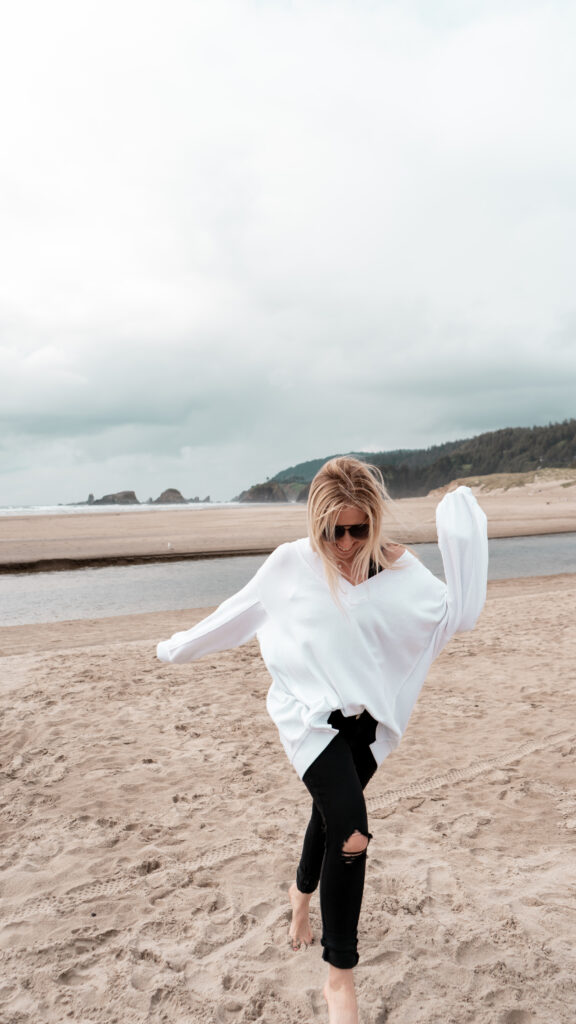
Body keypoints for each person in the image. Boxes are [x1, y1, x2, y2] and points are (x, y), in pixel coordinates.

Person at [156, 456, 488, 1024]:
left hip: (366, 731)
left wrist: (462, 530)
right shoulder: (290, 566)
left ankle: (299, 896)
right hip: (307, 721)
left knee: (329, 819)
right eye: (335, 530)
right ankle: (340, 981)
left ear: (375, 522)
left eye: (360, 528)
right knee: (353, 827)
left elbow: (454, 614)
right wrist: (175, 647)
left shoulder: (403, 575)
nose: (347, 542)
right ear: (317, 525)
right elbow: (235, 616)